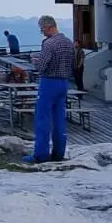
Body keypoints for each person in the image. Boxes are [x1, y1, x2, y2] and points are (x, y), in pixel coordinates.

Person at [25, 15, 77, 164]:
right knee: (59, 119)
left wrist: (35, 60)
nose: (42, 32)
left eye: (42, 29)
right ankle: (58, 153)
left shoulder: (49, 44)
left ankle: (40, 155)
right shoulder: (68, 43)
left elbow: (42, 66)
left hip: (49, 82)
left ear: (48, 26)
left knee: (42, 119)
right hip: (63, 82)